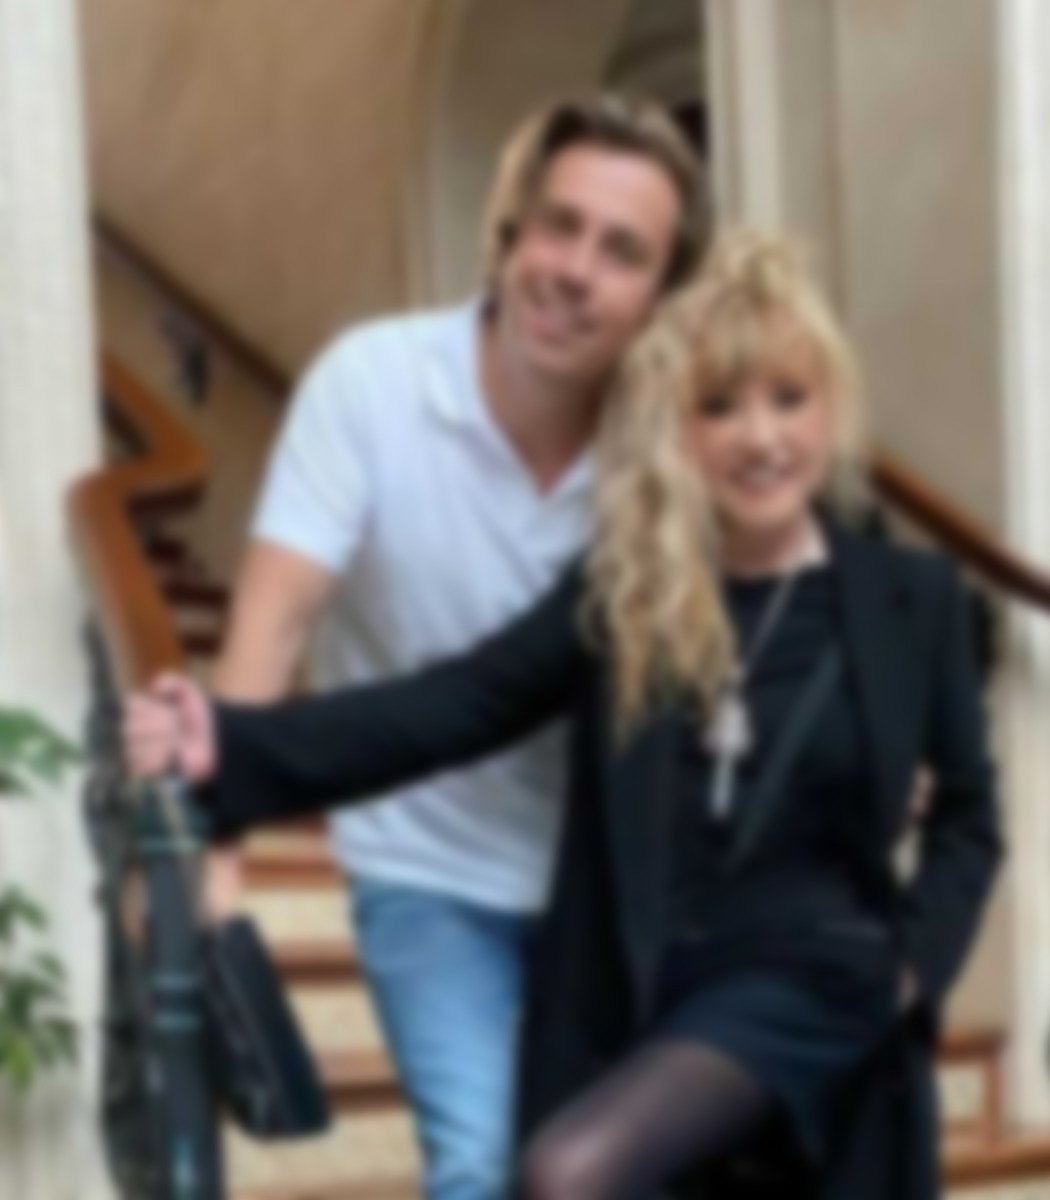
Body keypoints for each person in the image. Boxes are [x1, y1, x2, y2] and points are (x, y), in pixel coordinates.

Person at [126, 230, 1003, 1200]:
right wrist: (231, 741)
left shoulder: (909, 600)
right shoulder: (630, 590)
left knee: (566, 1173)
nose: (761, 438)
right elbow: (459, 703)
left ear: (830, 410)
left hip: (812, 979)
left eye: (789, 399)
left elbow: (970, 818)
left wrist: (912, 970)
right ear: (677, 431)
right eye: (720, 406)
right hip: (644, 987)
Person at [202, 93, 712, 1200]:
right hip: (424, 866)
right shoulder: (371, 385)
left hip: (602, 878)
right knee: (481, 1161)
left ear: (660, 298)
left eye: (622, 251)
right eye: (561, 225)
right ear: (513, 230)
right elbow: (276, 616)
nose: (576, 271)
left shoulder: (671, 451)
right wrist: (216, 836)